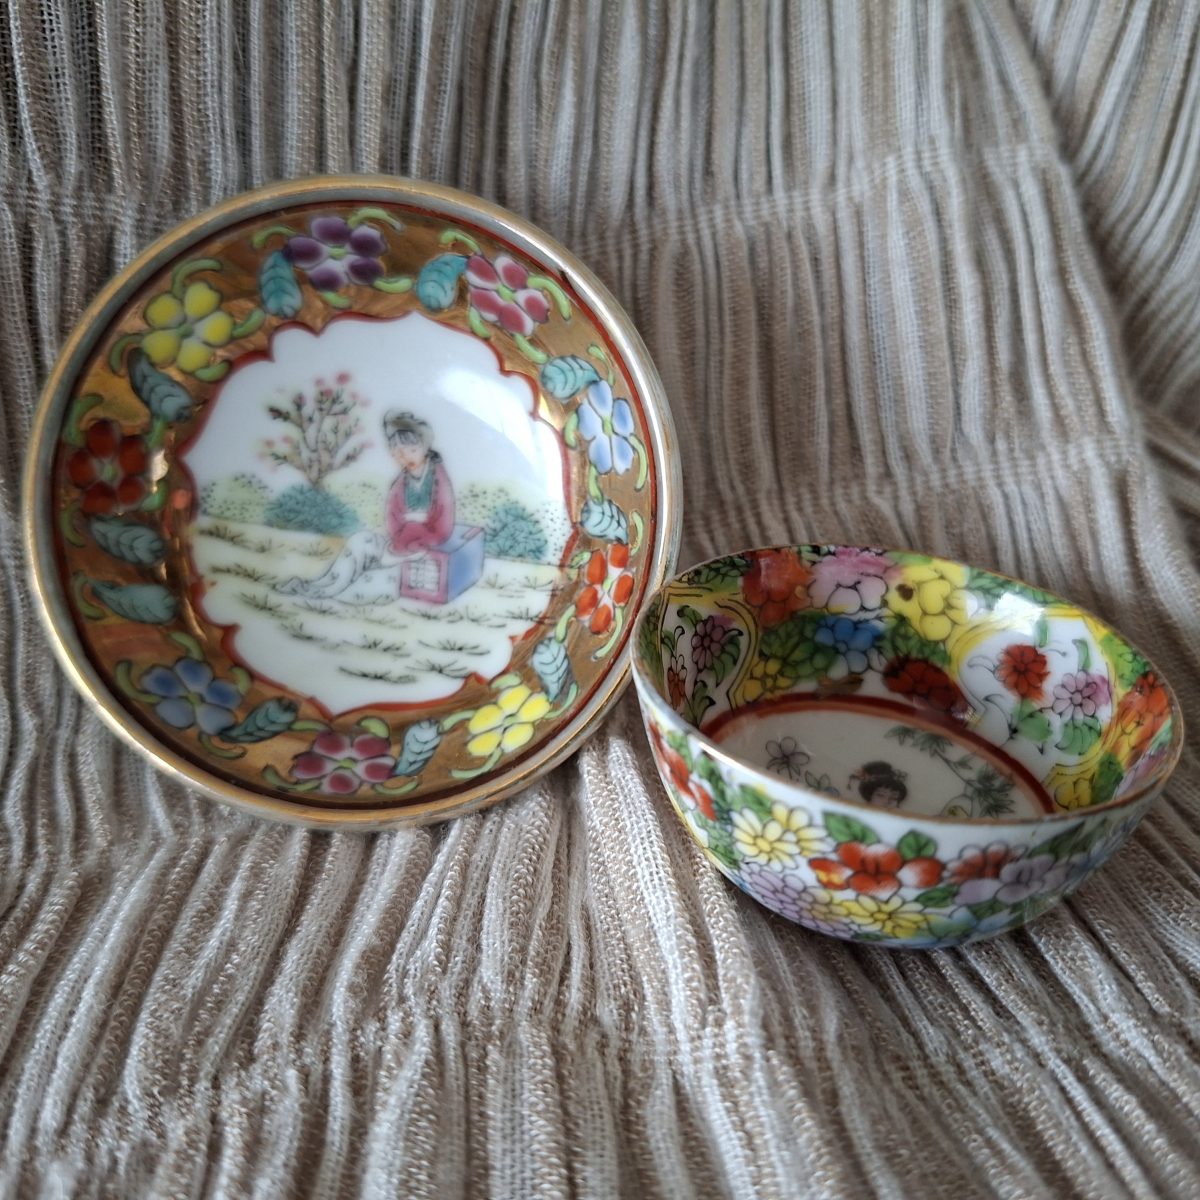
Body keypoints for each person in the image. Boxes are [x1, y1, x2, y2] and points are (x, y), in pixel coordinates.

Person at [277, 411, 455, 600]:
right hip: (399, 541)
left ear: (425, 447)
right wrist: (403, 531)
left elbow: (443, 524)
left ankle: (325, 590)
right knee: (360, 540)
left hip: (423, 543)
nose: (405, 458)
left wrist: (415, 530)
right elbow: (392, 518)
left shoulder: (438, 479)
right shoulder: (401, 482)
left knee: (376, 562)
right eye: (399, 453)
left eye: (412, 451)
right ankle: (316, 586)